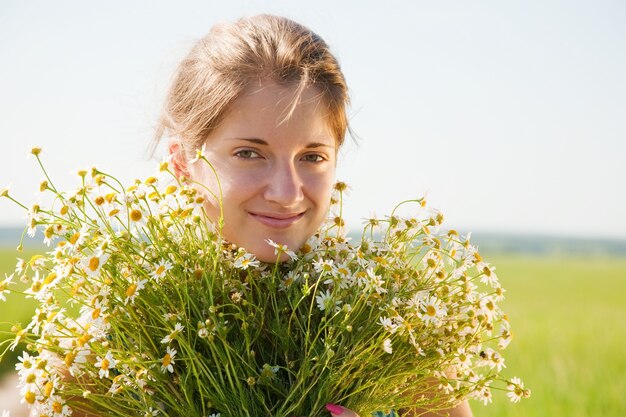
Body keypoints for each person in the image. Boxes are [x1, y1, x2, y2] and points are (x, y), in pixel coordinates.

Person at [156, 14, 472, 417]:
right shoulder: (116, 347)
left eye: (312, 157)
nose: (287, 193)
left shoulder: (403, 342)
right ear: (182, 163)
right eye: (249, 153)